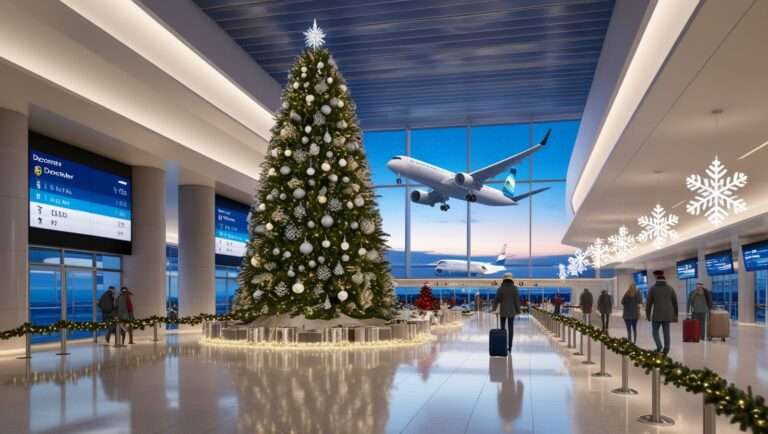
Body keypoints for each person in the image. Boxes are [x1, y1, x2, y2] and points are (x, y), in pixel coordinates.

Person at [646, 270, 678, 355]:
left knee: (655, 331)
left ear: (656, 279)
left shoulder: (653, 289)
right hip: (668, 315)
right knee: (666, 332)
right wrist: (676, 315)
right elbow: (675, 303)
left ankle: (659, 346)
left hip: (657, 314)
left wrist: (648, 315)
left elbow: (649, 303)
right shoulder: (670, 288)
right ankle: (666, 348)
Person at [492, 272, 522, 352]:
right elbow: (517, 301)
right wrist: (518, 311)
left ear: (504, 279)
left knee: (503, 329)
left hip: (503, 311)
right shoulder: (515, 288)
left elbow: (496, 300)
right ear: (511, 279)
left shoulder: (500, 288)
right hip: (512, 311)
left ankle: (503, 345)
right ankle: (510, 347)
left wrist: (494, 309)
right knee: (511, 328)